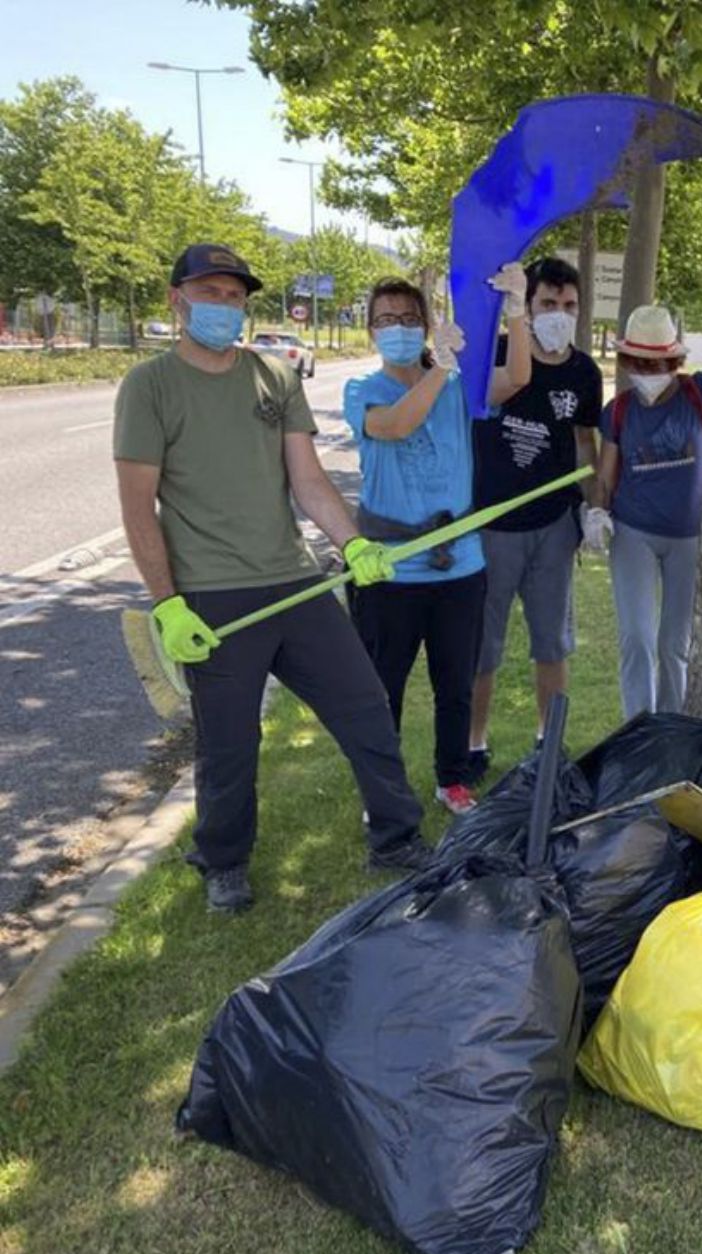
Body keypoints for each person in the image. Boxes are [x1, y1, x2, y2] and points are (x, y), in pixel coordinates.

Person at [114, 243, 428, 914]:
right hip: (213, 597)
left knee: (365, 707)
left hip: (296, 582)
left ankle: (397, 837)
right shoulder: (150, 386)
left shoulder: (273, 380)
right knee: (229, 742)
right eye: (211, 293)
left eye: (235, 296)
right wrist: (167, 606)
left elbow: (309, 481)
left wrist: (353, 544)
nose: (225, 306)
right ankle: (223, 859)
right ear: (178, 299)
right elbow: (137, 505)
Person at [344, 272, 520, 815]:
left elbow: (515, 377)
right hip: (390, 570)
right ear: (371, 329)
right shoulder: (361, 391)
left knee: (456, 684)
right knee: (381, 690)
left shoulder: (457, 382)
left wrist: (517, 309)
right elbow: (397, 425)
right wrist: (440, 369)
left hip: (459, 567)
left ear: (425, 325)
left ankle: (453, 779)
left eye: (408, 318)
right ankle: (383, 792)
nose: (397, 327)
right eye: (386, 319)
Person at [467, 257, 603, 782]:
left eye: (569, 306)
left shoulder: (585, 373)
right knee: (484, 644)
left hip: (553, 526)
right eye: (548, 303)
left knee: (552, 641)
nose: (559, 314)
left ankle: (550, 742)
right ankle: (474, 741)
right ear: (528, 303)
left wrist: (593, 503)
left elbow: (584, 443)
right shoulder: (499, 354)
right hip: (493, 526)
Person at [594, 305, 702, 719]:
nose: (647, 371)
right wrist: (596, 512)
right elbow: (606, 476)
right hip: (634, 533)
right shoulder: (620, 410)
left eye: (656, 363)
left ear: (674, 361)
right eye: (638, 363)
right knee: (638, 639)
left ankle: (672, 725)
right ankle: (638, 728)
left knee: (674, 646)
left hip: (689, 538)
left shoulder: (701, 394)